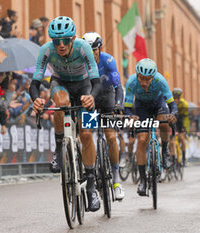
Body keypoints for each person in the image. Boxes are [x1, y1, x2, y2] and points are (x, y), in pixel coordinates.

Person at [29, 16, 101, 211]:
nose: (61, 45)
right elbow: (35, 82)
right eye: (56, 41)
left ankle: (92, 187)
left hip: (85, 85)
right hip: (59, 83)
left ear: (74, 38)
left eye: (65, 40)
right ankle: (60, 147)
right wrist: (35, 99)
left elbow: (96, 80)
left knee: (86, 135)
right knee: (60, 103)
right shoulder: (46, 50)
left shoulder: (83, 47)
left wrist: (92, 97)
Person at [124, 58, 177, 196]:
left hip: (158, 103)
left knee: (164, 123)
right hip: (141, 107)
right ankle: (142, 180)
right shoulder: (131, 83)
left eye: (148, 79)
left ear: (153, 77)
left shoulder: (160, 81)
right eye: (141, 78)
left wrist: (173, 114)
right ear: (137, 75)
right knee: (141, 140)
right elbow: (127, 108)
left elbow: (172, 104)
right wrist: (130, 116)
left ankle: (165, 150)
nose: (144, 83)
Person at [82, 32, 125, 200]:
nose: (92, 54)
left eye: (94, 50)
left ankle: (116, 181)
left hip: (107, 97)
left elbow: (118, 86)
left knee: (111, 137)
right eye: (88, 50)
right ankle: (89, 171)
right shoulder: (81, 62)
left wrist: (119, 105)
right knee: (85, 135)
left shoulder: (108, 61)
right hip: (89, 97)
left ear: (99, 49)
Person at [171, 88, 189, 167]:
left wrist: (184, 128)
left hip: (181, 121)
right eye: (174, 97)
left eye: (177, 98)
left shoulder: (184, 104)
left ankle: (184, 159)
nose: (176, 99)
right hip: (172, 120)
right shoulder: (170, 102)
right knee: (171, 140)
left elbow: (185, 117)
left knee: (182, 139)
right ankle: (172, 158)